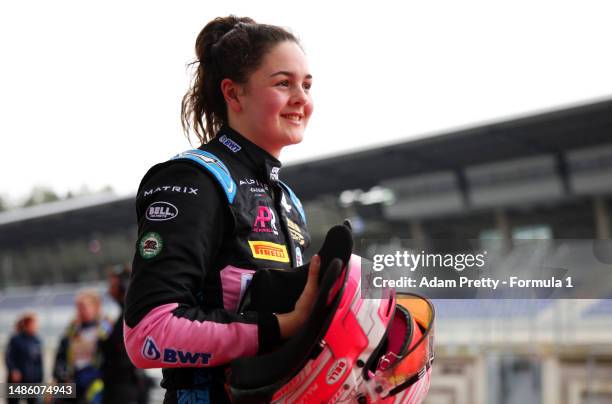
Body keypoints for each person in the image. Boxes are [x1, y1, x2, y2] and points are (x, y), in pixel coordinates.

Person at [123, 15, 320, 403]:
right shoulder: (194, 178)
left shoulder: (288, 200)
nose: (302, 98)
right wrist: (279, 326)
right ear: (234, 94)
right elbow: (148, 331)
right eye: (283, 83)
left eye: (307, 85)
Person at [99, 265, 151, 404]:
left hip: (124, 385)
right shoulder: (124, 313)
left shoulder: (130, 315)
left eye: (113, 284)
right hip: (121, 383)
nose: (110, 289)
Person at [53, 288, 111, 404]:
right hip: (72, 381)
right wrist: (62, 377)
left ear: (96, 308)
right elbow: (61, 357)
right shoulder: (72, 330)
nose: (79, 311)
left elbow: (110, 359)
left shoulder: (105, 328)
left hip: (94, 382)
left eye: (83, 307)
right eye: (78, 307)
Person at [5, 312, 43, 404]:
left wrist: (40, 378)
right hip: (17, 381)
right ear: (27, 325)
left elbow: (39, 362)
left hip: (32, 381)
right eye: (34, 323)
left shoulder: (37, 340)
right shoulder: (16, 339)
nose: (36, 326)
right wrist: (13, 370)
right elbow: (9, 357)